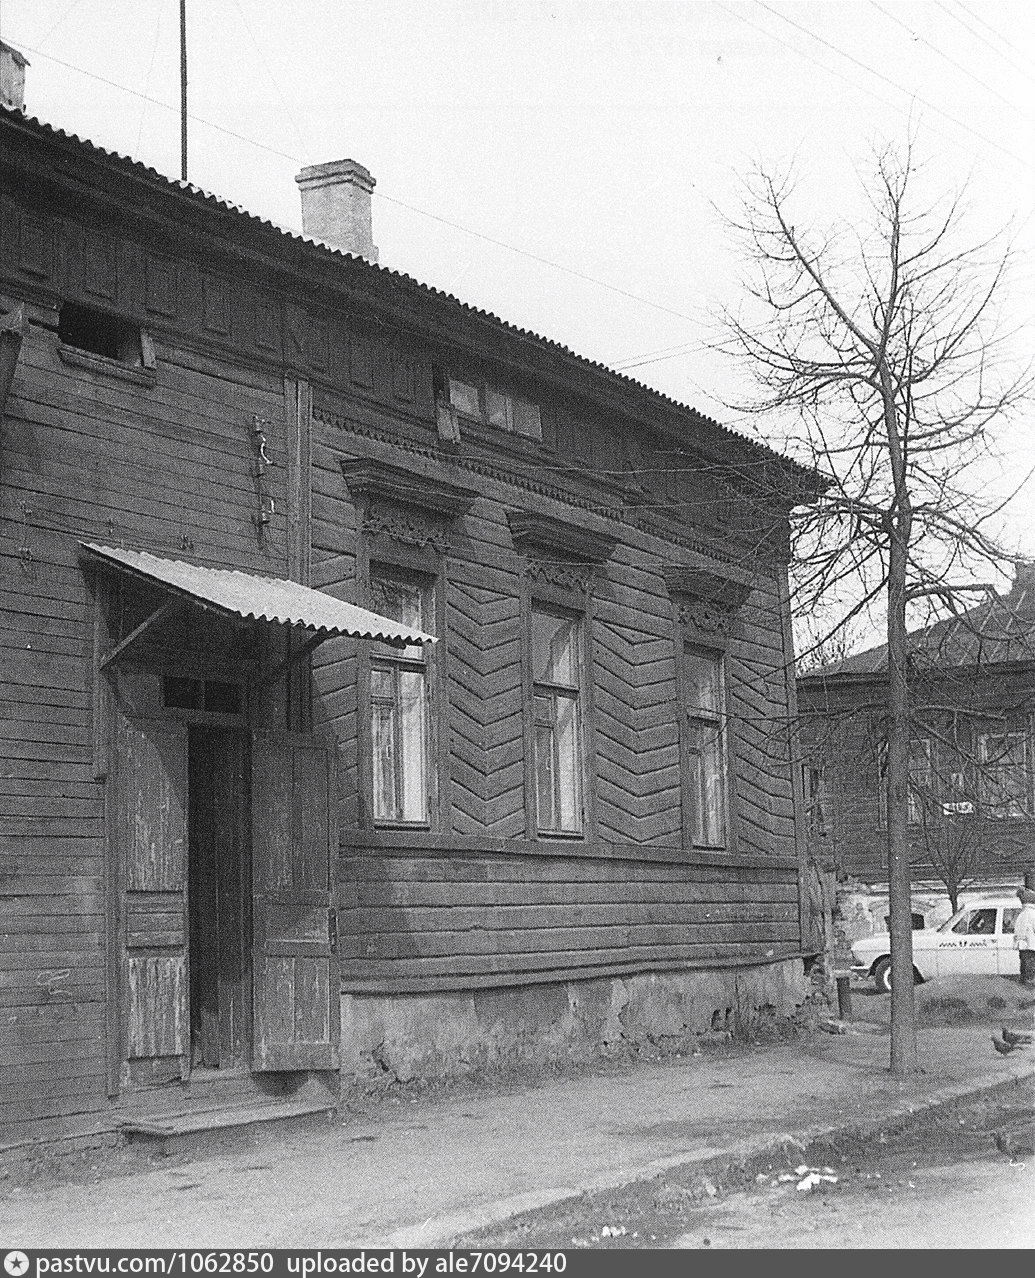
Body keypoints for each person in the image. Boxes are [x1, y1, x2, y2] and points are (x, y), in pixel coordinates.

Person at [1014, 887, 1035, 987]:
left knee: (1024, 968)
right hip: (1031, 947)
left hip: (1022, 946)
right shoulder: (1032, 914)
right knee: (1030, 970)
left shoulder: (1021, 915)